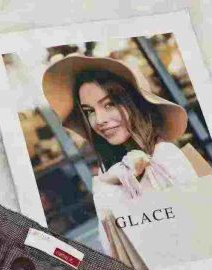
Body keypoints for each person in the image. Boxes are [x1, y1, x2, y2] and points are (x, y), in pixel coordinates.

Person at [42, 52, 198, 252]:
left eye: (109, 104)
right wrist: (108, 183)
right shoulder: (107, 172)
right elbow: (113, 248)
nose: (99, 120)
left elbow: (197, 226)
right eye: (89, 111)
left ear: (134, 104)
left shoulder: (165, 156)